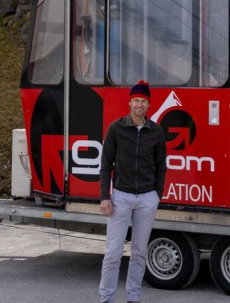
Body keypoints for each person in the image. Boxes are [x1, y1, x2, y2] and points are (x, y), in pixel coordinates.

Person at [98, 80, 167, 303]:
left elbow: (161, 165)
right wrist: (104, 197)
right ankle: (106, 298)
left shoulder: (156, 131)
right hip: (121, 197)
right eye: (136, 100)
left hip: (147, 198)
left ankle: (133, 298)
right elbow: (106, 164)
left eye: (144, 101)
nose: (140, 104)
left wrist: (157, 194)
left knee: (138, 253)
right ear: (130, 102)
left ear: (149, 105)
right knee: (113, 253)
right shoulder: (116, 129)